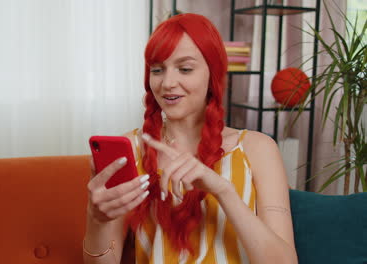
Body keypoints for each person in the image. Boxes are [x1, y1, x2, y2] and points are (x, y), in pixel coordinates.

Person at [83, 13, 298, 264]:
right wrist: (96, 219)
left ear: (213, 75)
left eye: (185, 69)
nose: (167, 83)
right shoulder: (128, 151)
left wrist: (222, 190)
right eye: (157, 69)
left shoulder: (258, 148)